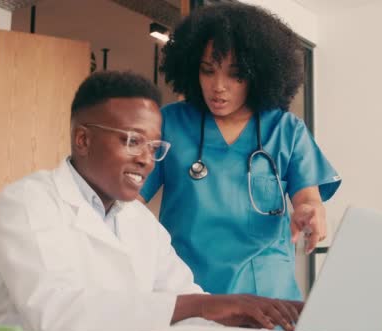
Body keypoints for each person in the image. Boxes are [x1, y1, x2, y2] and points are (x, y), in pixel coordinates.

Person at [0, 71, 303, 331]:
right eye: (133, 141)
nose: (147, 161)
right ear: (83, 139)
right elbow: (52, 311)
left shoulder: (140, 222)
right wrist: (203, 307)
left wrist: (248, 325)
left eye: (154, 147)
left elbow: (186, 305)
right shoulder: (26, 202)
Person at [140, 3, 341, 302]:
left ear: (259, 74)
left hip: (268, 295)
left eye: (235, 75)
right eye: (208, 71)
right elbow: (127, 202)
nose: (218, 87)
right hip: (189, 291)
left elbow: (308, 198)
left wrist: (311, 211)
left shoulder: (285, 130)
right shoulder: (169, 123)